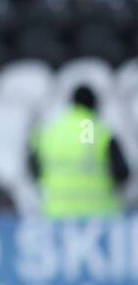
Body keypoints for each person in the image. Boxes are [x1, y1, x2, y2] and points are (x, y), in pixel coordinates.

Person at [30, 85, 129, 218]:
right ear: (95, 105)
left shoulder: (52, 131)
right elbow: (122, 173)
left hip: (57, 214)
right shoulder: (100, 132)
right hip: (98, 215)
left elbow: (33, 167)